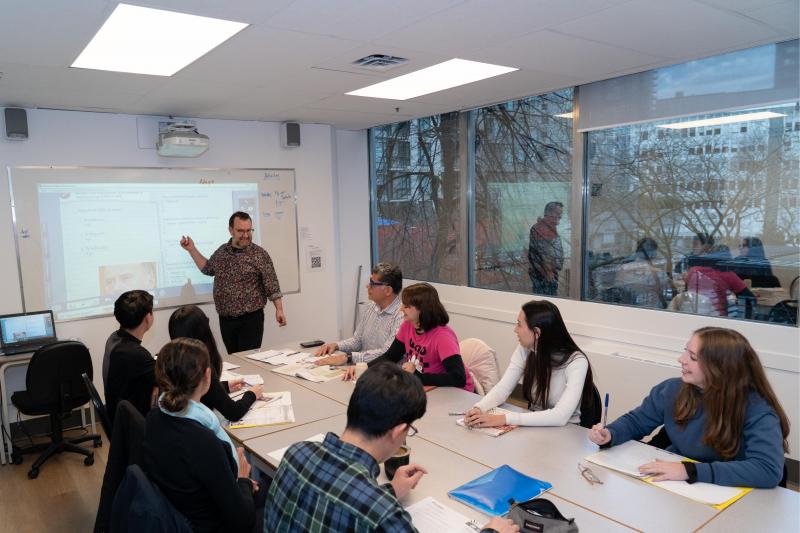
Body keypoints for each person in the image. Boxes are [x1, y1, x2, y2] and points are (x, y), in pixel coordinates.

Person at [264, 363, 518, 533]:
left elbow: (336, 496)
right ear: (398, 431)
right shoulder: (383, 515)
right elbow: (364, 506)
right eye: (410, 430)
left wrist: (389, 491)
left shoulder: (296, 453)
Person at [589, 327, 789, 488]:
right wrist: (611, 433)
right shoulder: (672, 389)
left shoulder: (757, 410)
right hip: (680, 483)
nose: (681, 359)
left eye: (693, 357)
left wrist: (690, 470)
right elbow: (636, 422)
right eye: (685, 351)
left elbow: (767, 470)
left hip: (728, 492)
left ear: (720, 369)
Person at [143, 338, 258, 533]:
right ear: (207, 375)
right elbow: (244, 521)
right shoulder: (202, 441)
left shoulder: (154, 416)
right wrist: (243, 479)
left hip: (180, 513)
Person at [465, 300, 594, 428]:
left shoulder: (577, 362)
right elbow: (503, 388)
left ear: (537, 333)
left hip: (567, 431)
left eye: (519, 325)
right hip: (534, 425)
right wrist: (479, 408)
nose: (515, 330)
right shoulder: (526, 348)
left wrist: (505, 419)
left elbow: (561, 416)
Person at [180, 211, 286, 354]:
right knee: (234, 358)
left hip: (251, 320)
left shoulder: (259, 255)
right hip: (226, 320)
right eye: (241, 231)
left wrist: (279, 309)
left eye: (249, 230)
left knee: (248, 359)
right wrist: (192, 249)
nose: (246, 235)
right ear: (231, 230)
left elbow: (272, 284)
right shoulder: (222, 252)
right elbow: (207, 268)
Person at [349, 283, 474, 391]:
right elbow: (390, 357)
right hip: (427, 386)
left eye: (406, 306)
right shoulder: (408, 326)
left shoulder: (443, 336)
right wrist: (364, 368)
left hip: (455, 392)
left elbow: (458, 378)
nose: (401, 309)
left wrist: (417, 377)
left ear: (422, 309)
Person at [168, 305, 263, 422]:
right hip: (200, 426)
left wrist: (225, 386)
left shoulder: (169, 361)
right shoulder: (202, 365)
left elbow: (194, 391)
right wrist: (252, 394)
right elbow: (233, 412)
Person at [313, 263, 404, 367]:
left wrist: (348, 357)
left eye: (372, 284)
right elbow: (357, 341)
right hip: (363, 367)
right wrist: (336, 345)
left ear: (388, 290)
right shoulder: (371, 307)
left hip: (385, 372)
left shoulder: (402, 316)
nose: (367, 286)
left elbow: (387, 354)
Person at [104, 290, 156, 425]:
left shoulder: (114, 338)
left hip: (119, 415)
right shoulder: (135, 354)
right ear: (147, 318)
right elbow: (168, 378)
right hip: (132, 425)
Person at [613, 237, 673, 309]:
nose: (650, 253)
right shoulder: (626, 268)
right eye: (648, 249)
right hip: (631, 308)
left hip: (655, 309)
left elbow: (667, 286)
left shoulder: (658, 270)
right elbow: (619, 288)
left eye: (652, 249)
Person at [528, 201, 564, 296]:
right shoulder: (543, 229)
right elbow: (543, 253)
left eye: (560, 215)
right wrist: (548, 272)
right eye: (558, 214)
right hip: (545, 276)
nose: (560, 217)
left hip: (546, 274)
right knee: (545, 301)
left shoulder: (548, 227)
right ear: (549, 214)